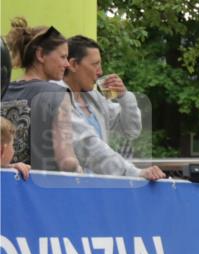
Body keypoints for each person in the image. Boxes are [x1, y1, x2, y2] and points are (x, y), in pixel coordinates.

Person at [61, 36, 164, 180]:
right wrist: (134, 173)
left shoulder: (94, 99)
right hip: (71, 190)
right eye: (95, 65)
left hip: (96, 189)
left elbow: (131, 130)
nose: (100, 72)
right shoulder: (57, 98)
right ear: (73, 64)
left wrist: (124, 97)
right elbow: (89, 147)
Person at [1, 19, 77, 171]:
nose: (67, 64)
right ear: (41, 55)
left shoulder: (3, 90)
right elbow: (66, 160)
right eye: (63, 57)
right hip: (40, 190)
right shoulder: (57, 95)